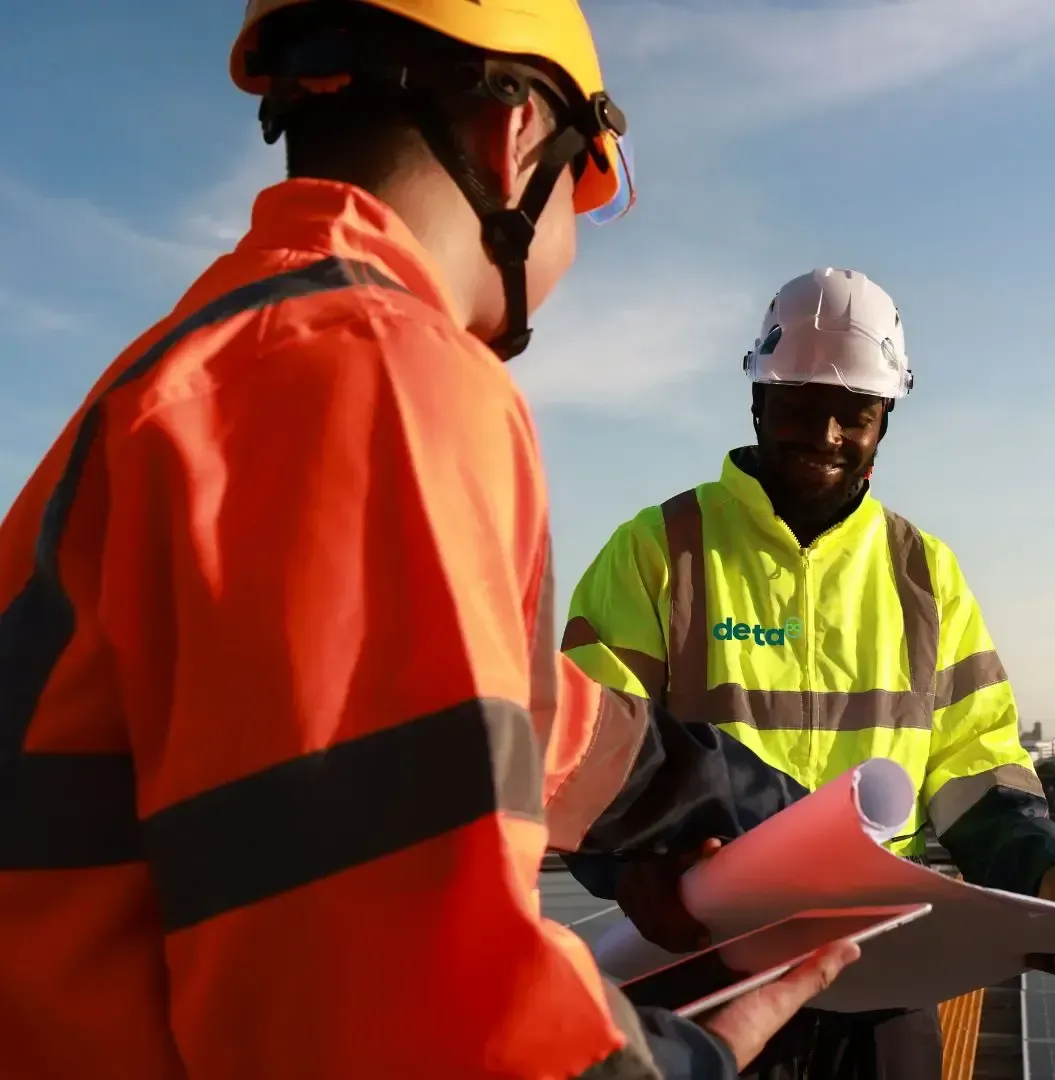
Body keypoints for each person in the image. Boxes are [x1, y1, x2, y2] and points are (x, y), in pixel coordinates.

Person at [0, 2, 854, 1077]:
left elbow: (435, 711)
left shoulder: (194, 376)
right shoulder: (375, 367)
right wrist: (677, 1066)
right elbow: (394, 1013)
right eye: (589, 198)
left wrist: (707, 795)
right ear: (520, 145)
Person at [559, 268, 1055, 1079]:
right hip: (705, 965)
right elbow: (582, 742)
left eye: (855, 415)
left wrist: (1038, 868)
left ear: (885, 421)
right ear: (759, 398)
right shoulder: (659, 551)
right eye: (800, 404)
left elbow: (975, 760)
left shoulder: (924, 574)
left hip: (879, 973)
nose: (827, 434)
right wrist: (631, 872)